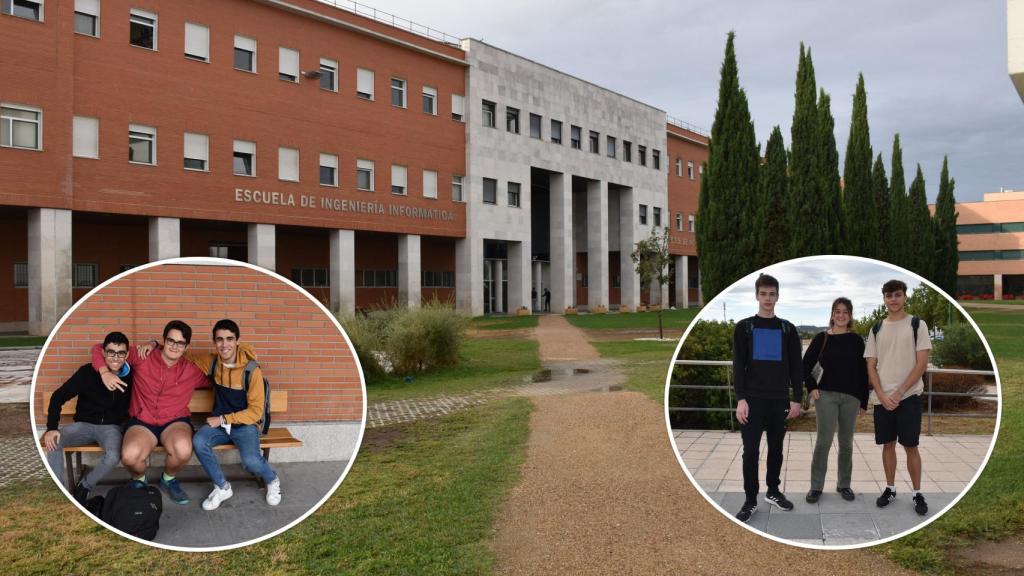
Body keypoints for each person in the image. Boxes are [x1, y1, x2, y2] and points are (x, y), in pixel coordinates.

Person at [93, 320, 209, 505]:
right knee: (129, 456)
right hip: (142, 421)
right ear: (164, 340)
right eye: (170, 340)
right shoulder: (143, 356)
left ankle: (168, 479)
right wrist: (104, 372)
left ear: (186, 346)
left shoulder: (192, 369)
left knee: (183, 449)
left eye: (180, 343)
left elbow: (222, 375)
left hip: (175, 421)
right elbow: (99, 347)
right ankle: (139, 480)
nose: (174, 346)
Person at [186, 319, 282, 510]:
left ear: (237, 341)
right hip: (220, 426)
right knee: (198, 441)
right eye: (220, 339)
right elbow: (182, 353)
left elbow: (255, 412)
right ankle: (222, 487)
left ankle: (272, 480)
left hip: (244, 425)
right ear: (214, 342)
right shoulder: (212, 362)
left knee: (251, 462)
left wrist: (224, 419)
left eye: (230, 339)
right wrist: (156, 344)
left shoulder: (251, 370)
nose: (224, 344)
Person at [732, 274, 803, 523]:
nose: (768, 299)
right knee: (750, 452)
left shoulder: (787, 329)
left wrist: (797, 399)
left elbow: (796, 366)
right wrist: (741, 399)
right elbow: (738, 366)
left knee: (776, 450)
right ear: (756, 295)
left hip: (779, 401)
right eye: (763, 294)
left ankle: (773, 491)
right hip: (752, 401)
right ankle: (750, 500)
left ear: (778, 296)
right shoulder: (744, 327)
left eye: (772, 294)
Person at [43, 332, 133, 505]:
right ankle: (58, 492)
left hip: (111, 428)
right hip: (83, 425)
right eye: (111, 352)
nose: (115, 357)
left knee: (114, 456)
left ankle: (85, 485)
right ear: (103, 353)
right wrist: (51, 427)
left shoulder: (131, 375)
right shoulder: (87, 372)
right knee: (53, 441)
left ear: (127, 355)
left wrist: (151, 343)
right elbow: (58, 396)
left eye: (121, 353)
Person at [865, 279, 931, 515]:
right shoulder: (876, 329)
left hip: (909, 397)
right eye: (888, 295)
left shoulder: (917, 325)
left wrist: (900, 392)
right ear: (883, 299)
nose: (893, 299)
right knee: (888, 445)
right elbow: (871, 365)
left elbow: (921, 363)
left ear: (904, 297)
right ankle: (890, 488)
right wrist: (882, 395)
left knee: (911, 446)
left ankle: (917, 493)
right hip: (883, 400)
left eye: (897, 295)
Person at [802, 297, 869, 503]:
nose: (841, 315)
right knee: (823, 442)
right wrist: (811, 387)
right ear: (832, 314)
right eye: (837, 311)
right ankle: (816, 486)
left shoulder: (857, 341)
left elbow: (863, 372)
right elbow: (804, 366)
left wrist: (864, 400)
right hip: (826, 397)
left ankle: (844, 484)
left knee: (846, 443)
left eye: (845, 312)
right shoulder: (821, 338)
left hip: (851, 398)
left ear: (850, 316)